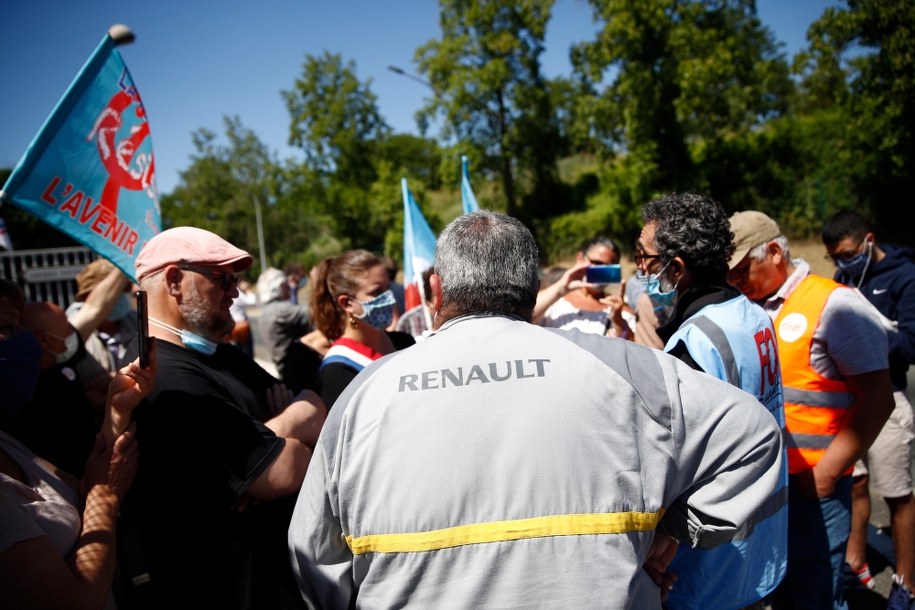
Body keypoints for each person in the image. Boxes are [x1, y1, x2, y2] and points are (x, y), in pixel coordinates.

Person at [288, 210, 785, 608]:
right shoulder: (631, 369)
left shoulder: (367, 391)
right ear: (531, 288)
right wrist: (670, 530)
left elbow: (313, 550)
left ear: (437, 292)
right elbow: (756, 437)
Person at [131, 226, 327, 609]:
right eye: (223, 279)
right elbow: (284, 470)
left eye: (235, 279)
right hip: (223, 590)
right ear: (174, 281)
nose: (235, 291)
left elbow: (317, 411)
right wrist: (284, 435)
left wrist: (266, 438)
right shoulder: (166, 379)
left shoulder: (223, 356)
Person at [728, 210, 895, 610]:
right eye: (728, 272)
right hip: (768, 488)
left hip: (813, 488)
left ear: (773, 252)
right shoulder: (747, 306)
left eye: (742, 269)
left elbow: (879, 398)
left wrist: (826, 473)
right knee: (779, 591)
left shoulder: (834, 304)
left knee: (815, 593)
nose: (734, 280)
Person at [636, 193, 787, 608]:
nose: (642, 270)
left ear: (677, 268)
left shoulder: (694, 345)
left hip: (713, 564)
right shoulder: (755, 315)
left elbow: (676, 465)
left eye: (645, 258)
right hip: (764, 540)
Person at [0, 277, 155, 610]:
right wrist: (106, 497)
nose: (21, 340)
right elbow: (76, 601)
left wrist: (117, 409)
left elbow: (90, 485)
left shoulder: (7, 445)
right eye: (5, 327)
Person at [823, 210, 915, 606]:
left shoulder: (904, 276)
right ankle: (855, 562)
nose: (843, 264)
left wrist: (866, 333)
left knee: (897, 493)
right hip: (848, 402)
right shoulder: (843, 279)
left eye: (847, 254)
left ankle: (906, 583)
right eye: (835, 258)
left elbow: (911, 346)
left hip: (889, 399)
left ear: (869, 241)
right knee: (854, 482)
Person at [309, 249, 415, 408]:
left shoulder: (404, 342)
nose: (389, 298)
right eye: (376, 292)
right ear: (347, 303)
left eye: (388, 288)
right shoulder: (337, 370)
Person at [532, 236, 632, 338]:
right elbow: (523, 315)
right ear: (580, 258)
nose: (601, 271)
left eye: (609, 268)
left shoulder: (618, 309)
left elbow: (630, 343)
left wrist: (619, 322)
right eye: (597, 263)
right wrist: (561, 288)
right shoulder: (555, 300)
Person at [257, 267, 322, 392]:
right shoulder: (281, 311)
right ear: (280, 286)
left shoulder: (267, 312)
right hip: (300, 374)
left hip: (288, 373)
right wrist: (318, 284)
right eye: (286, 284)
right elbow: (317, 313)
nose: (289, 287)